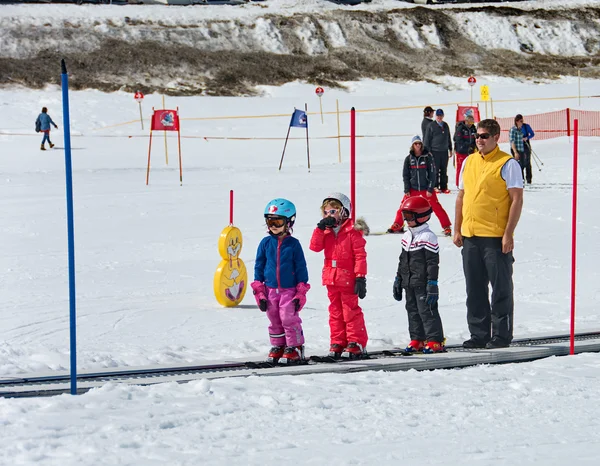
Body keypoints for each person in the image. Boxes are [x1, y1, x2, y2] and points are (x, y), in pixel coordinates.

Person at [453, 119, 524, 349]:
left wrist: (508, 233)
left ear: (496, 138)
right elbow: (461, 197)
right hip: (471, 236)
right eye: (477, 136)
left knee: (501, 288)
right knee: (474, 288)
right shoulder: (469, 161)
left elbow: (516, 199)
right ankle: (479, 334)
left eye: (484, 136)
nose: (479, 140)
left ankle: (501, 336)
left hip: (494, 237)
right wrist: (457, 228)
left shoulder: (507, 163)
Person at [309, 192, 369, 359]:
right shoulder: (326, 232)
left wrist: (360, 276)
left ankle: (355, 341)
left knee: (350, 311)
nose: (329, 216)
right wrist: (320, 229)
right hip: (331, 278)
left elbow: (360, 255)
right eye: (326, 213)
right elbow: (314, 247)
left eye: (333, 212)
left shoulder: (352, 232)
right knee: (335, 312)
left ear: (344, 212)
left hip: (348, 278)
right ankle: (337, 341)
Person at [252, 198, 310, 365]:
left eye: (277, 221)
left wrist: (301, 291)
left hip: (289, 290)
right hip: (270, 290)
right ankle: (278, 346)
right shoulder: (265, 243)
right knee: (274, 318)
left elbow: (301, 268)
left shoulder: (294, 245)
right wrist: (259, 290)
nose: (273, 226)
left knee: (288, 317)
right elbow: (259, 266)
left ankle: (295, 347)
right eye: (270, 221)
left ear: (289, 222)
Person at [392, 196, 445, 354]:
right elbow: (402, 260)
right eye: (405, 216)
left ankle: (435, 340)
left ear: (421, 216)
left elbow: (432, 263)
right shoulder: (407, 236)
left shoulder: (428, 237)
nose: (406, 220)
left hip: (423, 283)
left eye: (409, 216)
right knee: (412, 311)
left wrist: (432, 283)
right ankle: (418, 339)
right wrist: (398, 279)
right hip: (409, 282)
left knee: (427, 312)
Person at [387, 135, 452, 236]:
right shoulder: (408, 159)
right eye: (415, 144)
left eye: (419, 143)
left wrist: (430, 188)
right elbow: (406, 175)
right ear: (412, 145)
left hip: (426, 189)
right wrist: (407, 189)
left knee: (436, 207)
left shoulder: (428, 157)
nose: (417, 145)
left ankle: (446, 226)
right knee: (403, 207)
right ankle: (397, 224)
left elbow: (432, 173)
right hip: (413, 189)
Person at [424, 108, 453, 194]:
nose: (439, 117)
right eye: (438, 116)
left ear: (443, 116)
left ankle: (444, 187)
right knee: (435, 170)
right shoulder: (431, 126)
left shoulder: (445, 125)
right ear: (436, 116)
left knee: (444, 170)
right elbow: (427, 139)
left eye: (441, 116)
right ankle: (435, 186)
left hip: (444, 151)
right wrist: (427, 151)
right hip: (434, 151)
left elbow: (448, 137)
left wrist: (450, 148)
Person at [453, 113, 477, 188]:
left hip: (470, 152)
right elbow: (457, 139)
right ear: (466, 121)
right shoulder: (461, 128)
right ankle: (458, 184)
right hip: (461, 151)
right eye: (469, 122)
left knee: (470, 167)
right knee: (460, 168)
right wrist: (467, 145)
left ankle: (469, 182)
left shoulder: (473, 128)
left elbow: (475, 139)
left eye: (472, 122)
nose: (470, 124)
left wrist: (473, 146)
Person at [509, 114, 531, 183]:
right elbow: (512, 141)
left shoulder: (520, 129)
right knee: (519, 165)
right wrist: (515, 152)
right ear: (517, 121)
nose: (522, 122)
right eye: (521, 121)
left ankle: (525, 179)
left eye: (522, 121)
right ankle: (521, 180)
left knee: (524, 163)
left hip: (521, 149)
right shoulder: (513, 130)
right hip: (516, 149)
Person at [521, 117, 535, 184]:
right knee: (520, 163)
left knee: (527, 163)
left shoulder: (526, 126)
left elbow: (532, 134)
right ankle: (521, 179)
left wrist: (527, 138)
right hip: (519, 145)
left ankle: (529, 179)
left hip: (526, 144)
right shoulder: (515, 128)